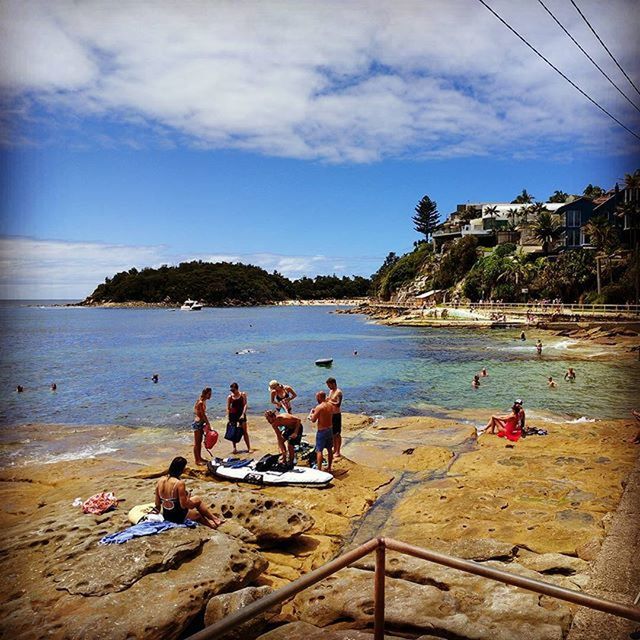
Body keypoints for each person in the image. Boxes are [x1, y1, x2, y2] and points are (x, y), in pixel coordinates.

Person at [155, 456, 223, 529]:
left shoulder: (161, 480)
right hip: (178, 516)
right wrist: (187, 496)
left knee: (197, 499)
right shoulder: (179, 483)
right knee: (197, 515)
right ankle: (211, 526)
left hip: (167, 515)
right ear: (181, 469)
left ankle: (215, 519)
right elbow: (183, 505)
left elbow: (157, 503)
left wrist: (156, 512)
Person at [308, 391, 334, 472]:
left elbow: (313, 420)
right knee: (329, 449)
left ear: (319, 397)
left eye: (317, 397)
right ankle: (329, 467)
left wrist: (311, 414)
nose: (316, 399)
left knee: (319, 450)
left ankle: (319, 470)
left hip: (322, 430)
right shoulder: (330, 405)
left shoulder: (319, 407)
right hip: (330, 429)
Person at [227, 382, 250, 454]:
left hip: (241, 414)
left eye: (233, 390)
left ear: (237, 389)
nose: (232, 392)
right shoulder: (230, 397)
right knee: (233, 431)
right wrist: (228, 417)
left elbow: (245, 404)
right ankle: (234, 448)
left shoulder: (242, 395)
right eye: (231, 390)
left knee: (244, 431)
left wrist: (243, 414)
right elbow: (228, 407)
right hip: (233, 415)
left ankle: (249, 448)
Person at [192, 387, 212, 466]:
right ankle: (197, 460)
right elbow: (203, 415)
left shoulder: (202, 401)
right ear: (205, 394)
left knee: (199, 442)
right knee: (197, 443)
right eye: (209, 394)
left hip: (200, 423)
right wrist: (208, 423)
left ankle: (199, 457)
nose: (210, 396)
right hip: (198, 423)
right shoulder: (200, 402)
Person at [326, 377, 343, 458]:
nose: (328, 387)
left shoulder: (338, 392)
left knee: (337, 434)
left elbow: (338, 404)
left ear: (333, 384)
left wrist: (329, 401)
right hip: (331, 415)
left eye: (329, 385)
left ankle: (338, 451)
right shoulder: (331, 391)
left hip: (336, 415)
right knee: (332, 433)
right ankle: (335, 449)